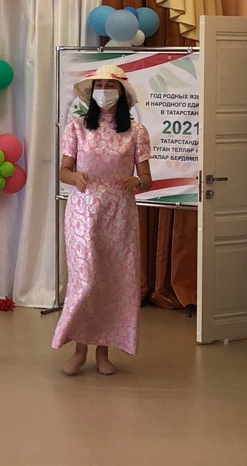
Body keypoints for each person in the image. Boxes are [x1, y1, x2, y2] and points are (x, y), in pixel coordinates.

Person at [54, 64, 152, 376]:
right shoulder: (77, 127)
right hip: (83, 213)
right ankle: (79, 349)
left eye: (110, 87)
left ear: (122, 93)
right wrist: (74, 176)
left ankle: (103, 352)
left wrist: (136, 181)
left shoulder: (136, 131)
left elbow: (147, 179)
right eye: (99, 86)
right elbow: (63, 171)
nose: (104, 92)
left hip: (119, 214)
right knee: (86, 279)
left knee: (113, 281)